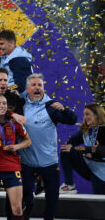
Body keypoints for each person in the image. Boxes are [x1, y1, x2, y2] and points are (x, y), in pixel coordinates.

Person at [19, 73, 77, 220]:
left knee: (52, 196)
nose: (37, 88)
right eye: (34, 85)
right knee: (25, 193)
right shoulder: (20, 104)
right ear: (27, 88)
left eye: (40, 85)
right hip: (26, 160)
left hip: (49, 161)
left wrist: (65, 109)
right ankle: (29, 206)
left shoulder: (51, 106)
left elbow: (72, 120)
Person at [0, 94, 31, 220]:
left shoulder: (14, 122)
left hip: (11, 168)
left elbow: (28, 141)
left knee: (18, 209)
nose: (2, 106)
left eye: (4, 103)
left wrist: (16, 147)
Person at [60, 103, 105, 194]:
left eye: (87, 114)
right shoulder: (85, 132)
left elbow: (102, 151)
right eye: (84, 114)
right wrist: (86, 150)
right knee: (65, 150)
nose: (84, 117)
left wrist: (86, 150)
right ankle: (69, 185)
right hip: (90, 168)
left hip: (102, 172)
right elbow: (70, 143)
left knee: (100, 203)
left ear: (97, 115)